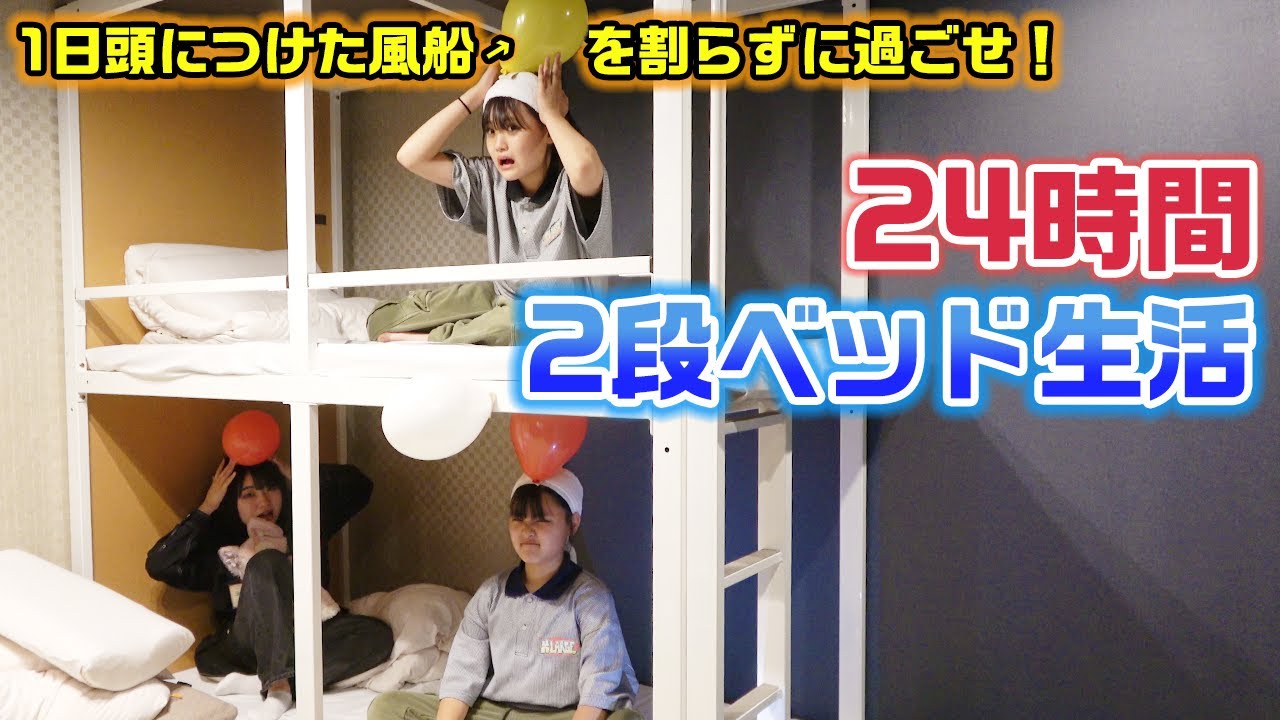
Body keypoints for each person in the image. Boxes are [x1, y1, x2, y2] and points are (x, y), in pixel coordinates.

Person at [367, 53, 612, 345]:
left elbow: (584, 167)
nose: (499, 144)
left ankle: (436, 339)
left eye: (512, 128)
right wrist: (475, 96)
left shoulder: (571, 183)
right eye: (491, 131)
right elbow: (411, 156)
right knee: (383, 319)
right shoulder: (491, 180)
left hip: (565, 318)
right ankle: (474, 329)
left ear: (548, 132)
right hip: (501, 299)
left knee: (522, 321)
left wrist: (551, 114)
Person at [366, 469, 641, 720]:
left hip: (559, 714)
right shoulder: (491, 593)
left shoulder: (590, 599)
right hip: (494, 711)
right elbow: (463, 672)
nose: (527, 530)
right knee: (387, 706)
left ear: (573, 523)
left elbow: (599, 684)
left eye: (541, 519)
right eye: (518, 518)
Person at [146, 457, 393, 720]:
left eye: (271, 488)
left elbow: (362, 487)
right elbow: (160, 564)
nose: (263, 502)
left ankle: (268, 680)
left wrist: (300, 475)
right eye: (249, 494)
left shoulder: (304, 529)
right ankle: (278, 690)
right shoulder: (223, 549)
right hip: (246, 643)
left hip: (305, 635)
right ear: (231, 502)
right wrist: (207, 507)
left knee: (377, 637)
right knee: (265, 561)